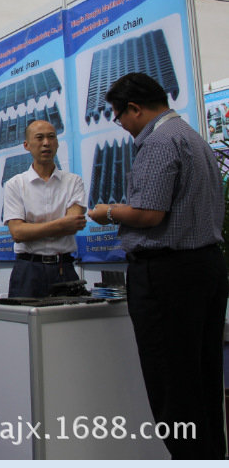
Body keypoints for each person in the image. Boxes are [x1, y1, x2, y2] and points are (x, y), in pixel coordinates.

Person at [88, 72, 227, 460]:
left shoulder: (158, 142)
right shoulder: (192, 137)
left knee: (173, 387)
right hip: (205, 268)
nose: (122, 125)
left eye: (119, 116)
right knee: (202, 380)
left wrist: (107, 211)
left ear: (134, 108)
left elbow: (148, 214)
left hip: (168, 276)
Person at [3, 119, 87, 297]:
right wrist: (61, 224)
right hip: (28, 269)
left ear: (57, 142)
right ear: (26, 145)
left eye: (51, 137)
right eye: (39, 138)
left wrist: (31, 229)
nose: (46, 143)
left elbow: (73, 224)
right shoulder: (15, 185)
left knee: (69, 316)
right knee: (24, 315)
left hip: (64, 268)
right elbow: (17, 233)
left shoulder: (74, 182)